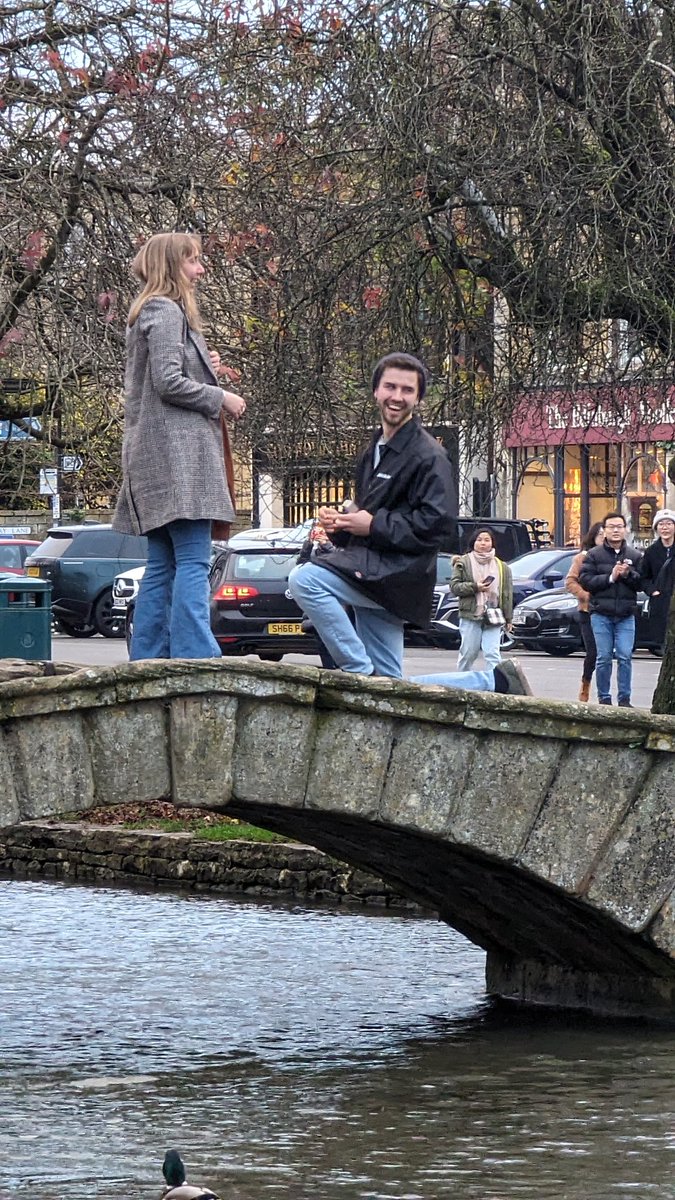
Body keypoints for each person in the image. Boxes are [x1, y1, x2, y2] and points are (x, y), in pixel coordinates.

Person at [113, 232, 246, 660]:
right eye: (193, 262)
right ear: (173, 267)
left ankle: (150, 655)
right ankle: (196, 653)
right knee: (192, 559)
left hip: (153, 460)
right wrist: (220, 397)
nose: (201, 270)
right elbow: (169, 383)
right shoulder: (166, 311)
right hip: (179, 462)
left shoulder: (145, 314)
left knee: (163, 563)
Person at [288, 352, 455, 678]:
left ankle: (355, 670)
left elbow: (439, 526)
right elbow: (368, 519)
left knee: (304, 579)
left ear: (418, 398)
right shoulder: (372, 450)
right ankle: (491, 679)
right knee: (390, 685)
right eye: (390, 387)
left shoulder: (430, 456)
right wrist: (341, 525)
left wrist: (372, 524)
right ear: (376, 391)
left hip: (396, 576)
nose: (397, 397)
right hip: (374, 571)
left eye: (407, 390)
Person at [578, 511, 642, 706]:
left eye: (619, 527)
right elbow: (585, 580)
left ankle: (624, 698)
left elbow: (642, 583)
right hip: (600, 613)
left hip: (625, 614)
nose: (615, 530)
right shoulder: (594, 555)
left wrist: (627, 574)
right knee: (604, 657)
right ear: (604, 531)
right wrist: (610, 577)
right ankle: (604, 697)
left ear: (626, 530)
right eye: (611, 527)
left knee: (625, 656)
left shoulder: (635, 555)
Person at [450, 528, 513, 671]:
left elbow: (507, 593)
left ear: (492, 543)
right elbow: (454, 587)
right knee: (468, 653)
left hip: (494, 615)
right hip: (471, 615)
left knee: (492, 653)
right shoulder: (463, 562)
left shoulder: (502, 566)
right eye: (479, 540)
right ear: (473, 542)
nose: (483, 543)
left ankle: (496, 685)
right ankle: (461, 680)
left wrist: (508, 618)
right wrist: (475, 587)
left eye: (486, 540)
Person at [565, 521, 605, 701]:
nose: (604, 538)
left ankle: (607, 693)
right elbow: (570, 582)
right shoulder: (582, 558)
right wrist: (584, 595)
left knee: (609, 654)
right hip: (588, 611)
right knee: (593, 652)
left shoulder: (615, 557)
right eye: (600, 535)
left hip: (608, 610)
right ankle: (585, 685)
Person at [296, 521, 339, 669]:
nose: (320, 535)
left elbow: (339, 561)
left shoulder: (338, 548)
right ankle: (330, 670)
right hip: (316, 608)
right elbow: (300, 565)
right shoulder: (314, 552)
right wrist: (307, 545)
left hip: (336, 605)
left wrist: (326, 544)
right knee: (322, 643)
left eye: (323, 531)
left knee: (337, 643)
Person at [639, 508, 675, 652]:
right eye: (661, 524)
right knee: (663, 642)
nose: (665, 528)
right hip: (660, 602)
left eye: (669, 524)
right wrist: (652, 591)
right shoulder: (651, 551)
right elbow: (644, 577)